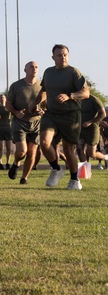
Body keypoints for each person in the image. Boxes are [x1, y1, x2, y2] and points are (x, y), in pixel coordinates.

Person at [37, 44, 90, 190]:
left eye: (65, 54)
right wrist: (35, 103)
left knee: (68, 149)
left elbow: (86, 93)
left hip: (70, 115)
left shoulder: (74, 72)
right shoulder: (48, 72)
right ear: (53, 57)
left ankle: (74, 180)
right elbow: (44, 90)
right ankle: (56, 169)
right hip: (51, 114)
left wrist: (70, 96)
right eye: (59, 55)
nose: (63, 57)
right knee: (44, 142)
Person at [6, 61, 43, 185]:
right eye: (31, 67)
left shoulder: (42, 86)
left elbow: (46, 105)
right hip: (19, 122)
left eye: (36, 67)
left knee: (32, 152)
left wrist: (43, 111)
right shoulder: (16, 86)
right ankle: (16, 163)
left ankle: (24, 178)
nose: (34, 69)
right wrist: (16, 112)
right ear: (25, 70)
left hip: (36, 123)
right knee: (22, 151)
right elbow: (7, 103)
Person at [79, 94, 106, 165]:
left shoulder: (94, 100)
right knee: (80, 150)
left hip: (92, 129)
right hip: (80, 129)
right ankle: (85, 172)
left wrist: (90, 122)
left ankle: (106, 157)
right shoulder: (77, 99)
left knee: (91, 153)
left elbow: (103, 114)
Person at [0, 93, 13, 169]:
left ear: (6, 98)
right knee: (0, 147)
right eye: (0, 97)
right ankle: (0, 163)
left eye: (3, 97)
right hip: (0, 128)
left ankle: (8, 163)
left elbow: (16, 114)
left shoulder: (9, 107)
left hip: (8, 128)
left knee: (8, 147)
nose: (2, 98)